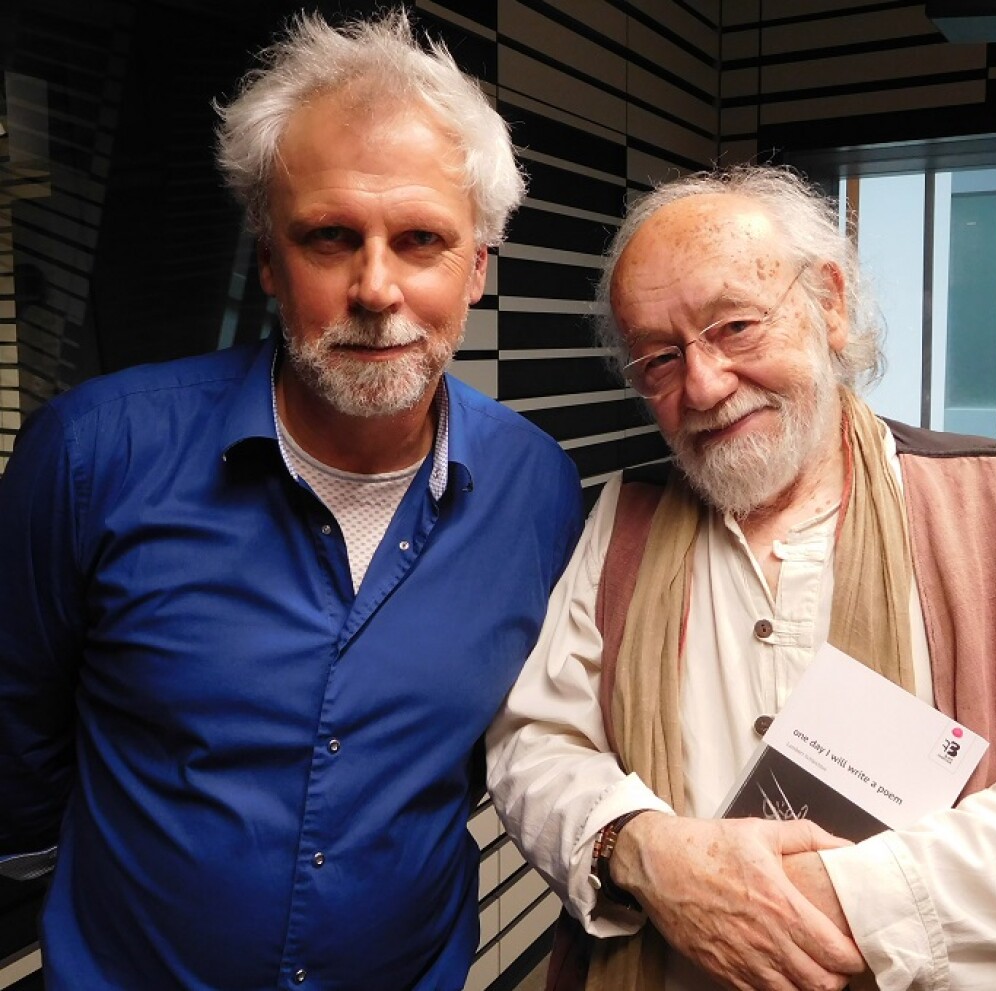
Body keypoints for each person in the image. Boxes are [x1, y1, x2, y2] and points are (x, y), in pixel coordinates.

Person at [485, 165, 996, 991]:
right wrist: (640, 847)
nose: (704, 384)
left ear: (828, 303)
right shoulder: (622, 520)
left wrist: (844, 900)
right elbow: (535, 742)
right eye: (659, 358)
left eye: (736, 326)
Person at [0, 9, 583, 990]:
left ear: (478, 267)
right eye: (329, 237)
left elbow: (521, 740)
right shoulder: (91, 454)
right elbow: (18, 738)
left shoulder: (539, 492)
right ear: (269, 259)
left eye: (422, 240)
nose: (376, 288)